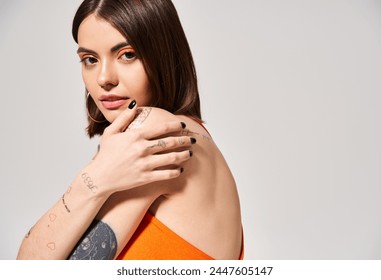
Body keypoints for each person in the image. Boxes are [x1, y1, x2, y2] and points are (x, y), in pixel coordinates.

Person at [17, 0, 243, 260]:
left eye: (127, 55)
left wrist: (92, 178)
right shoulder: (194, 133)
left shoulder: (154, 131)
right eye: (90, 59)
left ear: (162, 55)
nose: (104, 78)